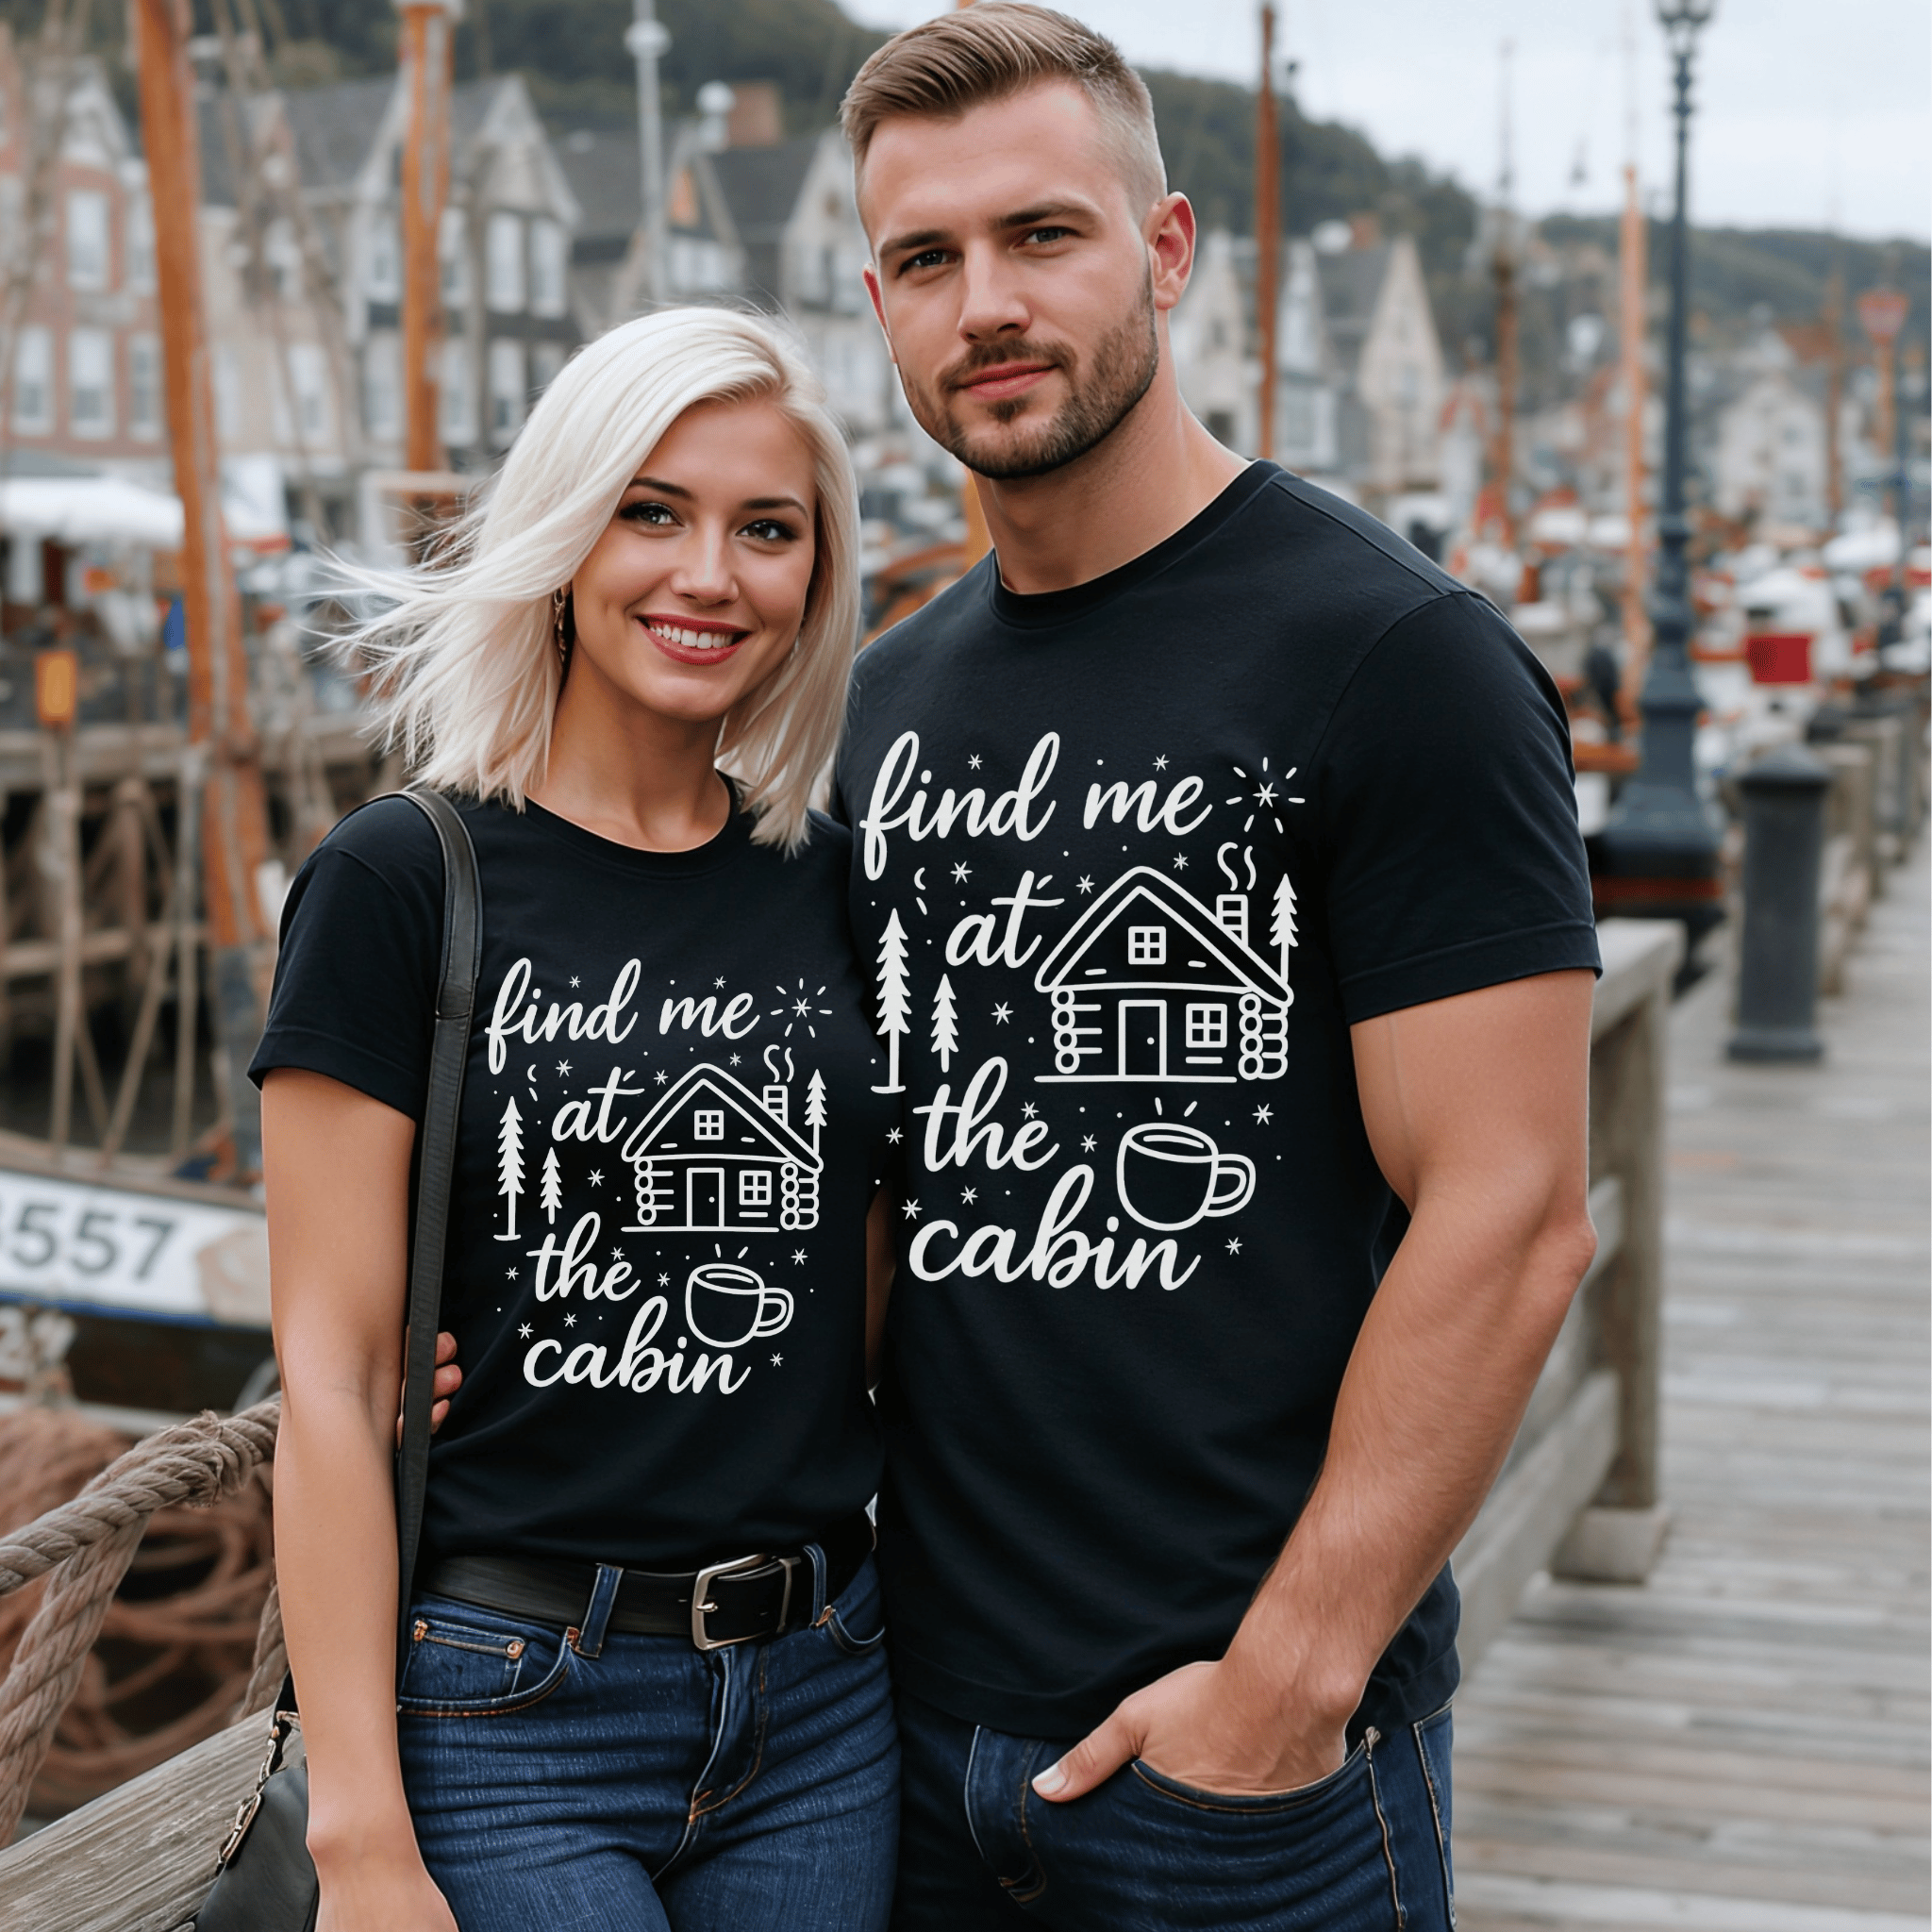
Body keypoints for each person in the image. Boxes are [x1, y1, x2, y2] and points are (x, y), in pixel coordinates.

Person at [828, 8, 1603, 1926]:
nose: (984, 301)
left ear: (1165, 252)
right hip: (898, 1738)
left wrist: (1283, 1687)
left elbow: (1508, 1210)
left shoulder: (1391, 653)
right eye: (927, 260)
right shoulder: (872, 709)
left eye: (1043, 236)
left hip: (1249, 1765)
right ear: (878, 301)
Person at [254, 308, 900, 1932]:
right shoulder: (403, 879)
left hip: (824, 1689)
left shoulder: (831, 882)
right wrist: (360, 1840)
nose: (710, 574)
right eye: (652, 510)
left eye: (768, 530)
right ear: (563, 530)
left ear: (817, 576)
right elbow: (331, 1377)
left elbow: (872, 1278)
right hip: (512, 1700)